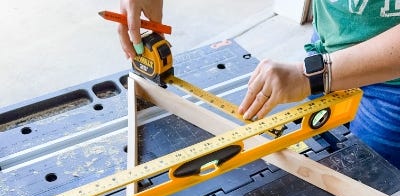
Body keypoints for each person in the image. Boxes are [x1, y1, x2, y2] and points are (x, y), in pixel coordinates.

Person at [117, 0, 400, 169]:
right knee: (322, 143)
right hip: (331, 42)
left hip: (393, 86)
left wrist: (312, 75)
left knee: (371, 187)